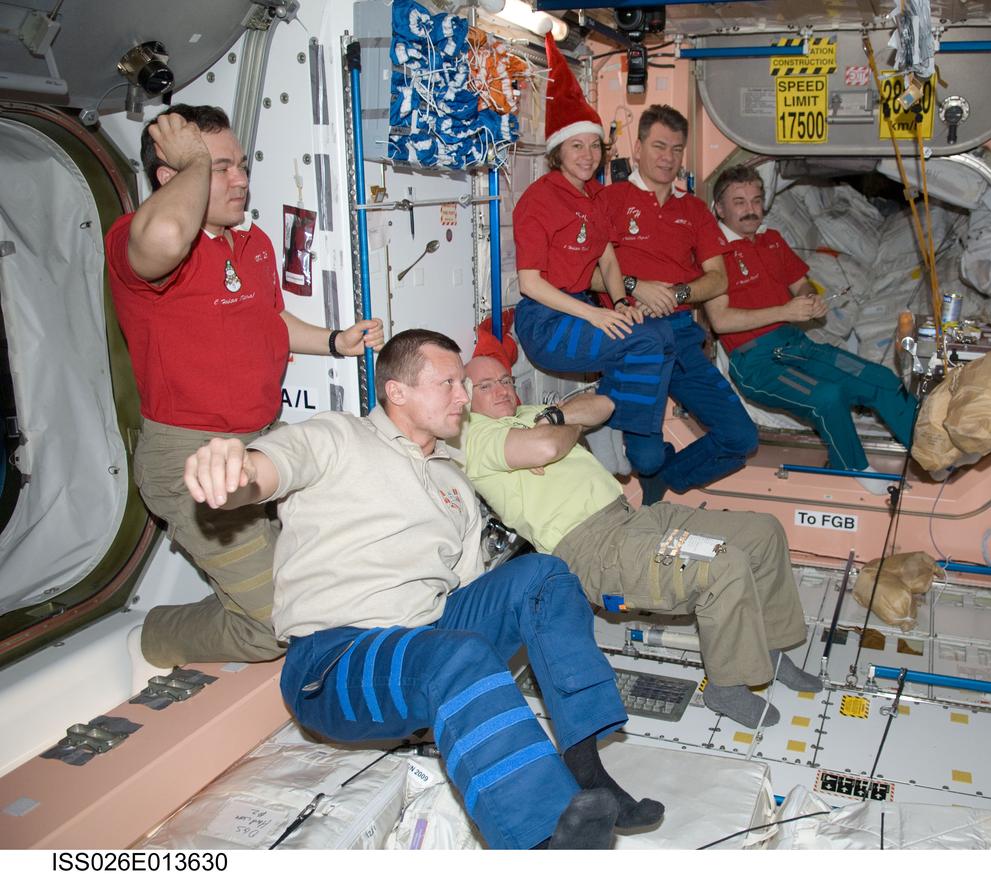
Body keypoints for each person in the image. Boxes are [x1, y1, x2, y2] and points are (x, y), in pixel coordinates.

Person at [180, 329, 662, 850]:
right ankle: (544, 841)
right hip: (335, 661)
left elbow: (472, 589)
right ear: (398, 392)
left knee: (542, 574)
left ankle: (587, 767)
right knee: (453, 656)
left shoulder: (453, 479)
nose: (463, 397)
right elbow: (266, 469)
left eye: (463, 383)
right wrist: (233, 466)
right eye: (449, 383)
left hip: (429, 639)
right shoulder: (337, 437)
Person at [106, 104, 384, 668]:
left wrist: (335, 341)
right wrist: (190, 163)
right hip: (193, 455)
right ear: (173, 178)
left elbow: (268, 319)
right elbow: (163, 232)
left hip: (266, 438)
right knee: (276, 629)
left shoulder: (249, 241)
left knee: (351, 553)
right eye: (220, 168)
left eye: (242, 164)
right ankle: (150, 636)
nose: (242, 178)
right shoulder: (139, 245)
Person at [463, 353, 822, 729]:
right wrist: (564, 426)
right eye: (486, 386)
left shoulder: (529, 415)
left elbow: (603, 405)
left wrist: (555, 419)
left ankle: (770, 645)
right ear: (466, 397)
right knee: (723, 564)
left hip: (634, 519)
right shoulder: (476, 438)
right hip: (595, 550)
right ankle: (726, 686)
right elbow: (547, 449)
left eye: (505, 380)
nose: (501, 389)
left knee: (763, 532)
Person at [513, 35, 673, 466]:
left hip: (582, 307)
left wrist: (621, 302)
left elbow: (607, 257)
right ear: (558, 151)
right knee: (640, 344)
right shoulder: (538, 200)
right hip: (546, 322)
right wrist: (598, 314)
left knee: (662, 334)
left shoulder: (597, 195)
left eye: (594, 145)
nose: (587, 154)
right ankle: (633, 439)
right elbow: (529, 283)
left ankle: (610, 421)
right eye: (576, 145)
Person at [704, 165, 918, 486]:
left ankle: (929, 449)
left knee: (881, 378)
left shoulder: (772, 239)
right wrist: (785, 310)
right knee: (827, 397)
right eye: (739, 202)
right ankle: (852, 469)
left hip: (796, 344)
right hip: (755, 363)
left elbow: (801, 284)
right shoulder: (713, 252)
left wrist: (810, 299)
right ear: (719, 208)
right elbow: (720, 319)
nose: (750, 210)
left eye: (756, 200)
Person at [596, 105, 757, 504]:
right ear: (638, 148)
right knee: (645, 459)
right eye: (659, 146)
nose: (668, 157)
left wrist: (677, 294)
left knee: (741, 438)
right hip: (632, 339)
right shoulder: (608, 200)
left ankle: (673, 475)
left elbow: (717, 278)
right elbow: (583, 273)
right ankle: (655, 468)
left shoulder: (694, 209)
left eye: (677, 148)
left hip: (682, 336)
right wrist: (637, 287)